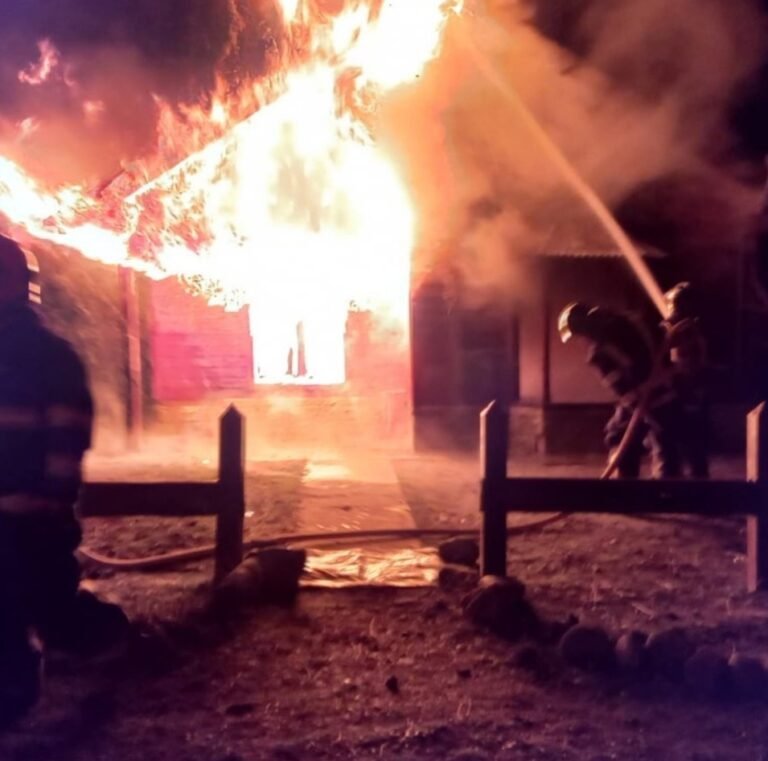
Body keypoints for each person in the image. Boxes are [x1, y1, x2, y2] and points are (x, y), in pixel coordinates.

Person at [0, 235, 127, 725]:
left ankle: (111, 638)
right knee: (12, 608)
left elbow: (67, 438)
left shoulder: (49, 357)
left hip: (29, 519)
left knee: (44, 607)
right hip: (18, 516)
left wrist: (49, 506)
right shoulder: (48, 354)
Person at [558, 302, 683, 479]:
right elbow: (662, 337)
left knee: (621, 434)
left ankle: (629, 486)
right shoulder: (631, 321)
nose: (581, 341)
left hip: (647, 398)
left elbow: (625, 391)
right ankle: (668, 483)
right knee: (664, 441)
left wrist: (646, 413)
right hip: (669, 388)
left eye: (579, 336)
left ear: (585, 328)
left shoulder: (599, 353)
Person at [662, 282, 710, 478]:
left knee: (683, 442)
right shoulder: (686, 329)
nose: (670, 311)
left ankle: (682, 482)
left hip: (686, 392)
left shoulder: (684, 331)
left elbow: (688, 363)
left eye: (673, 305)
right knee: (685, 443)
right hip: (685, 391)